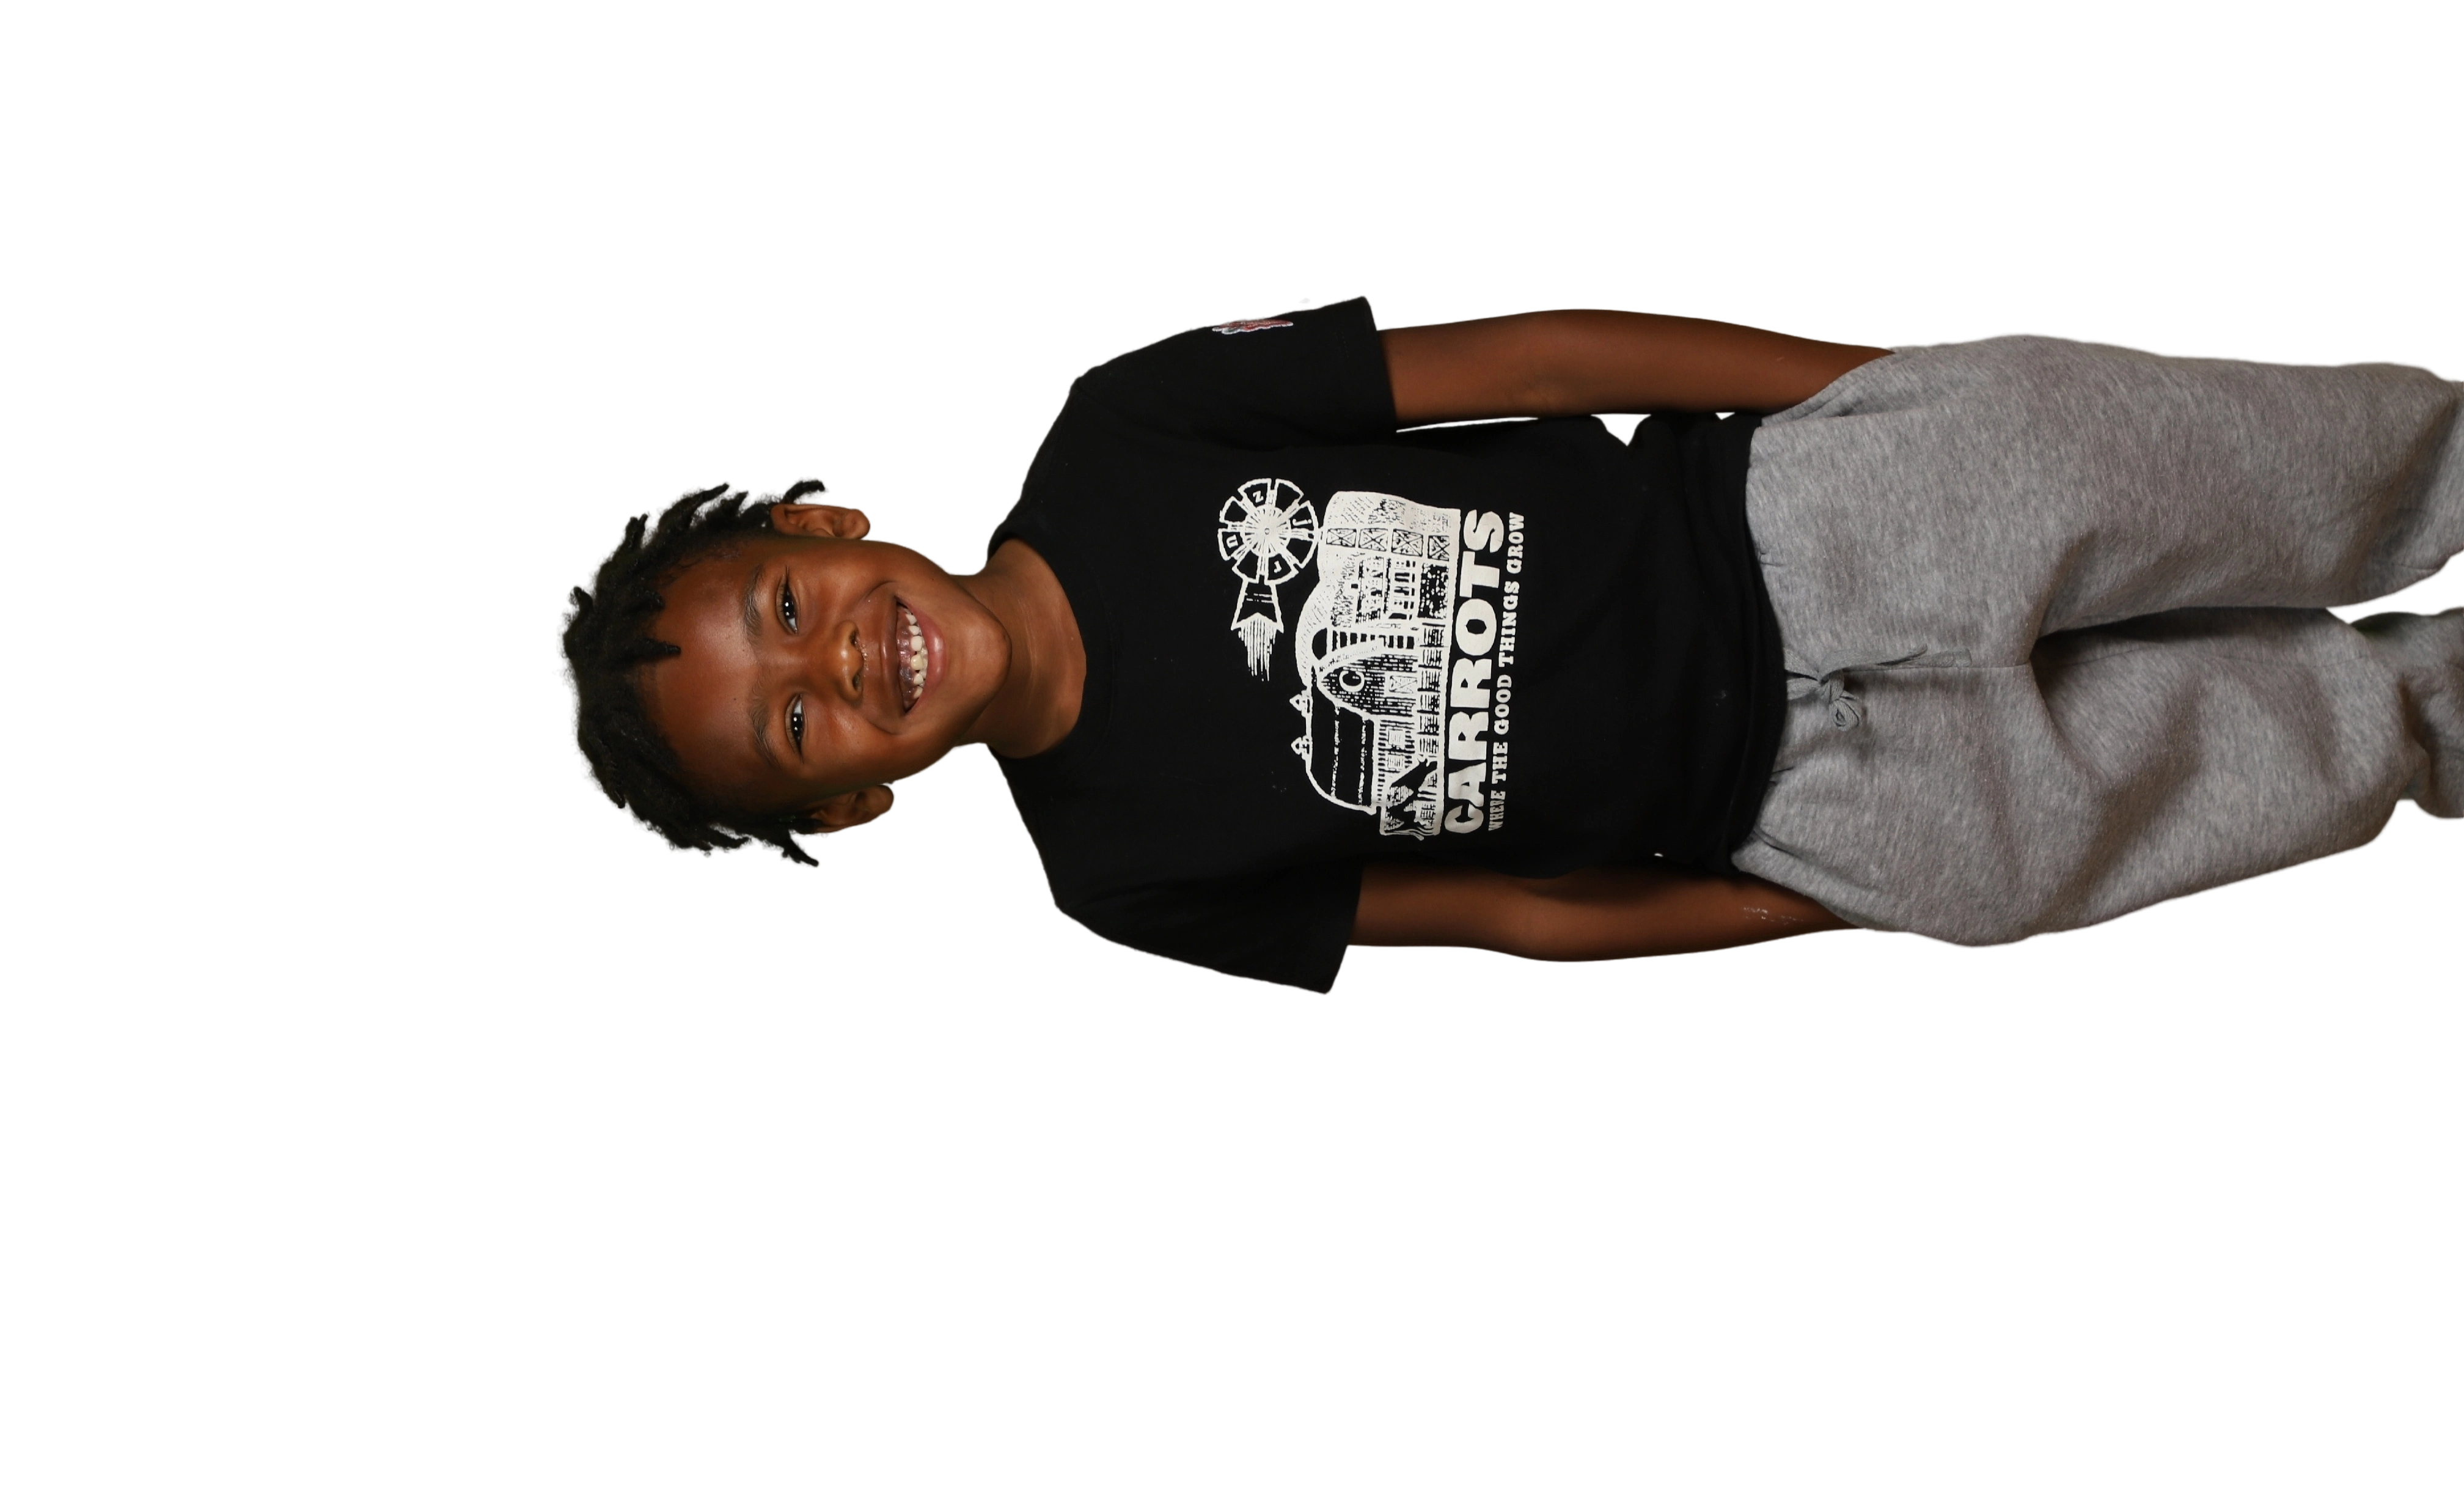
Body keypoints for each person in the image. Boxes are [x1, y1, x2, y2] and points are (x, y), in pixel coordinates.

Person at [551, 294, 2464, 996]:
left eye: (784, 612)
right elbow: (1504, 918)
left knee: (2287, 478)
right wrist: (1809, 901)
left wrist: (1866, 396)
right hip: (1817, 809)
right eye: (793, 730)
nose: (836, 667)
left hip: (1804, 519)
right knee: (2297, 758)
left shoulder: (1121, 431)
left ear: (826, 525)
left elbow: (1529, 364)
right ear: (857, 809)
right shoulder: (1119, 880)